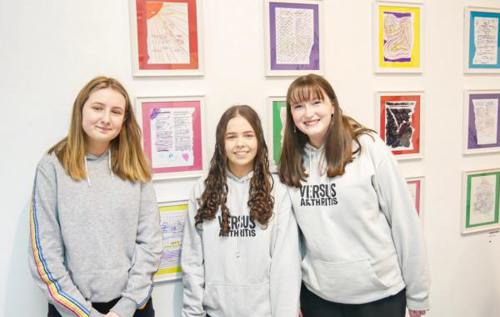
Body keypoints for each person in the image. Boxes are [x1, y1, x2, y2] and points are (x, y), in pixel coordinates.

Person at [278, 74, 430, 317]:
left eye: (317, 102)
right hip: (319, 297)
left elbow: (405, 221)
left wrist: (418, 293)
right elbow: (291, 241)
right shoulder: (291, 162)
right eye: (299, 106)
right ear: (291, 115)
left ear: (333, 106)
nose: (308, 113)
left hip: (379, 296)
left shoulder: (367, 147)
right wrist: (290, 298)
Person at [29, 76, 162, 317]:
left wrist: (125, 307)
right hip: (72, 309)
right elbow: (44, 252)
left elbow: (151, 243)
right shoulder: (52, 167)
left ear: (124, 120)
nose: (105, 119)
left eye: (116, 111)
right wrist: (85, 313)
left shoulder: (136, 166)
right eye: (97, 108)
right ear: (81, 110)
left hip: (132, 308)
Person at [181, 105, 301, 317]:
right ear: (221, 142)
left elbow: (286, 266)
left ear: (259, 140)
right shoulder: (202, 189)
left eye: (248, 135)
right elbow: (192, 261)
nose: (240, 144)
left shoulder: (277, 191)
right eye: (231, 136)